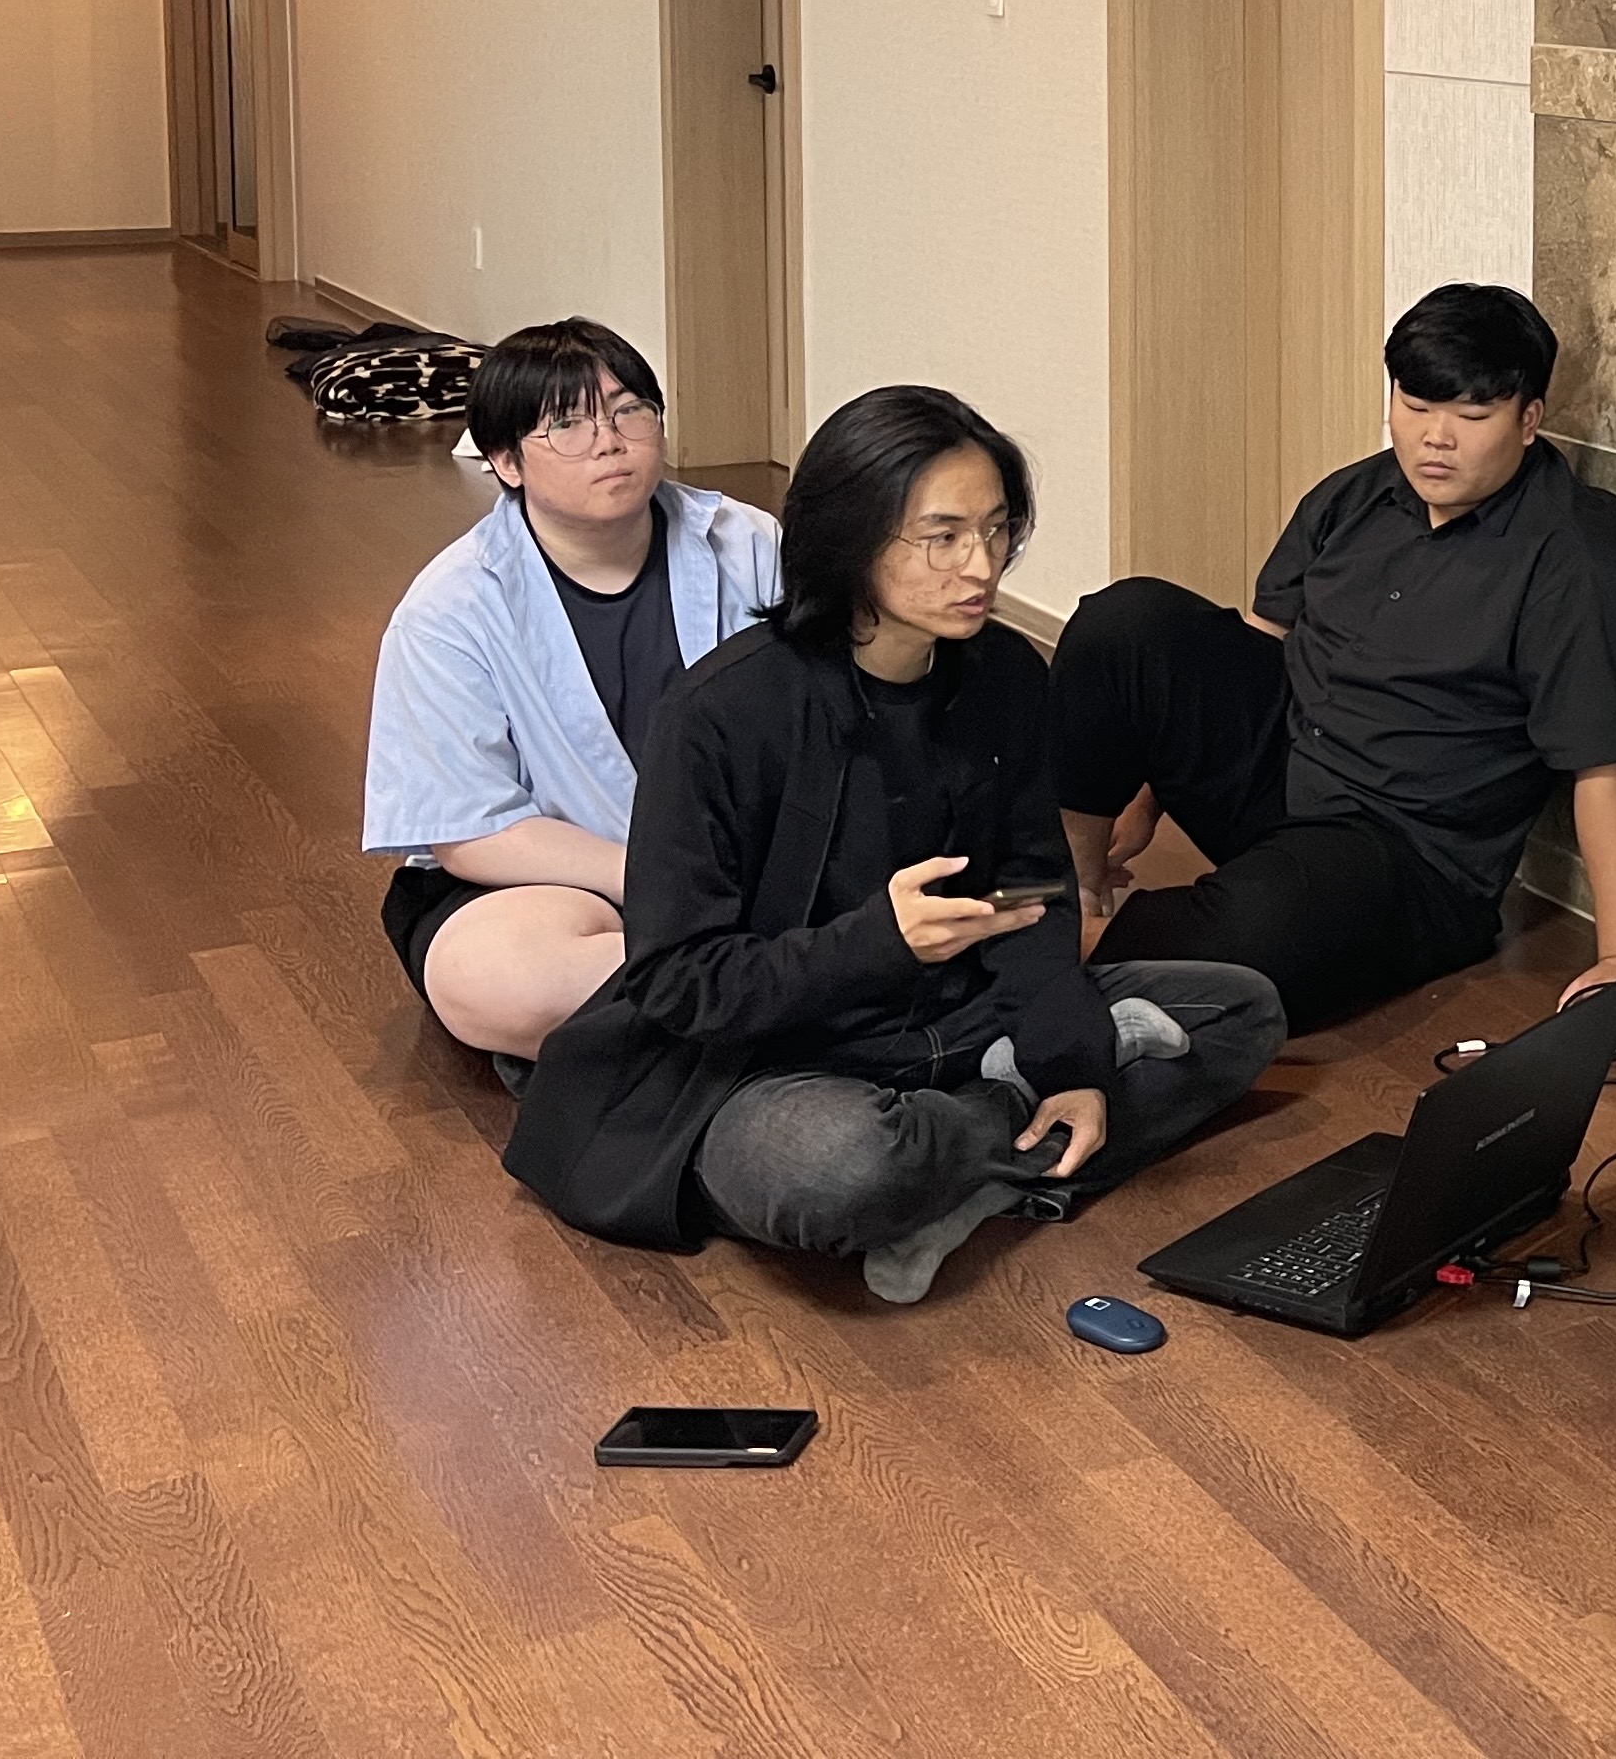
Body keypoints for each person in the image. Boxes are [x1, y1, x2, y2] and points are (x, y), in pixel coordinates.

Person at [504, 387, 1281, 1301]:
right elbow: (681, 982)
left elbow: (1032, 889)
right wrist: (880, 942)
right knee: (838, 1166)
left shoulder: (1006, 675)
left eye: (996, 530)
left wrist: (1069, 1063)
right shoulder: (720, 714)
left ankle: (965, 1170)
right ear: (851, 540)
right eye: (941, 537)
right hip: (770, 1063)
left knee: (1244, 1011)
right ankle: (992, 1141)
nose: (980, 565)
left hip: (965, 1024)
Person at [1052, 283, 1616, 1032]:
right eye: (1415, 406)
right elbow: (1257, 651)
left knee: (1264, 935)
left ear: (1528, 419)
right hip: (1288, 772)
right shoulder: (1357, 493)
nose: (1435, 439)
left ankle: (1065, 952)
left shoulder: (1576, 553)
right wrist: (1148, 794)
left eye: (1472, 417)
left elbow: (1604, 767)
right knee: (1125, 621)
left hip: (1404, 856)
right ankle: (1074, 888)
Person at [360, 319, 783, 1061]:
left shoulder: (747, 543)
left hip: (745, 857)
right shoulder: (450, 608)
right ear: (505, 461)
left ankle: (670, 1040)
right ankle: (789, 1004)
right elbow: (472, 829)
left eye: (629, 411)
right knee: (493, 977)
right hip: (554, 880)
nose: (609, 442)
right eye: (568, 425)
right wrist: (660, 881)